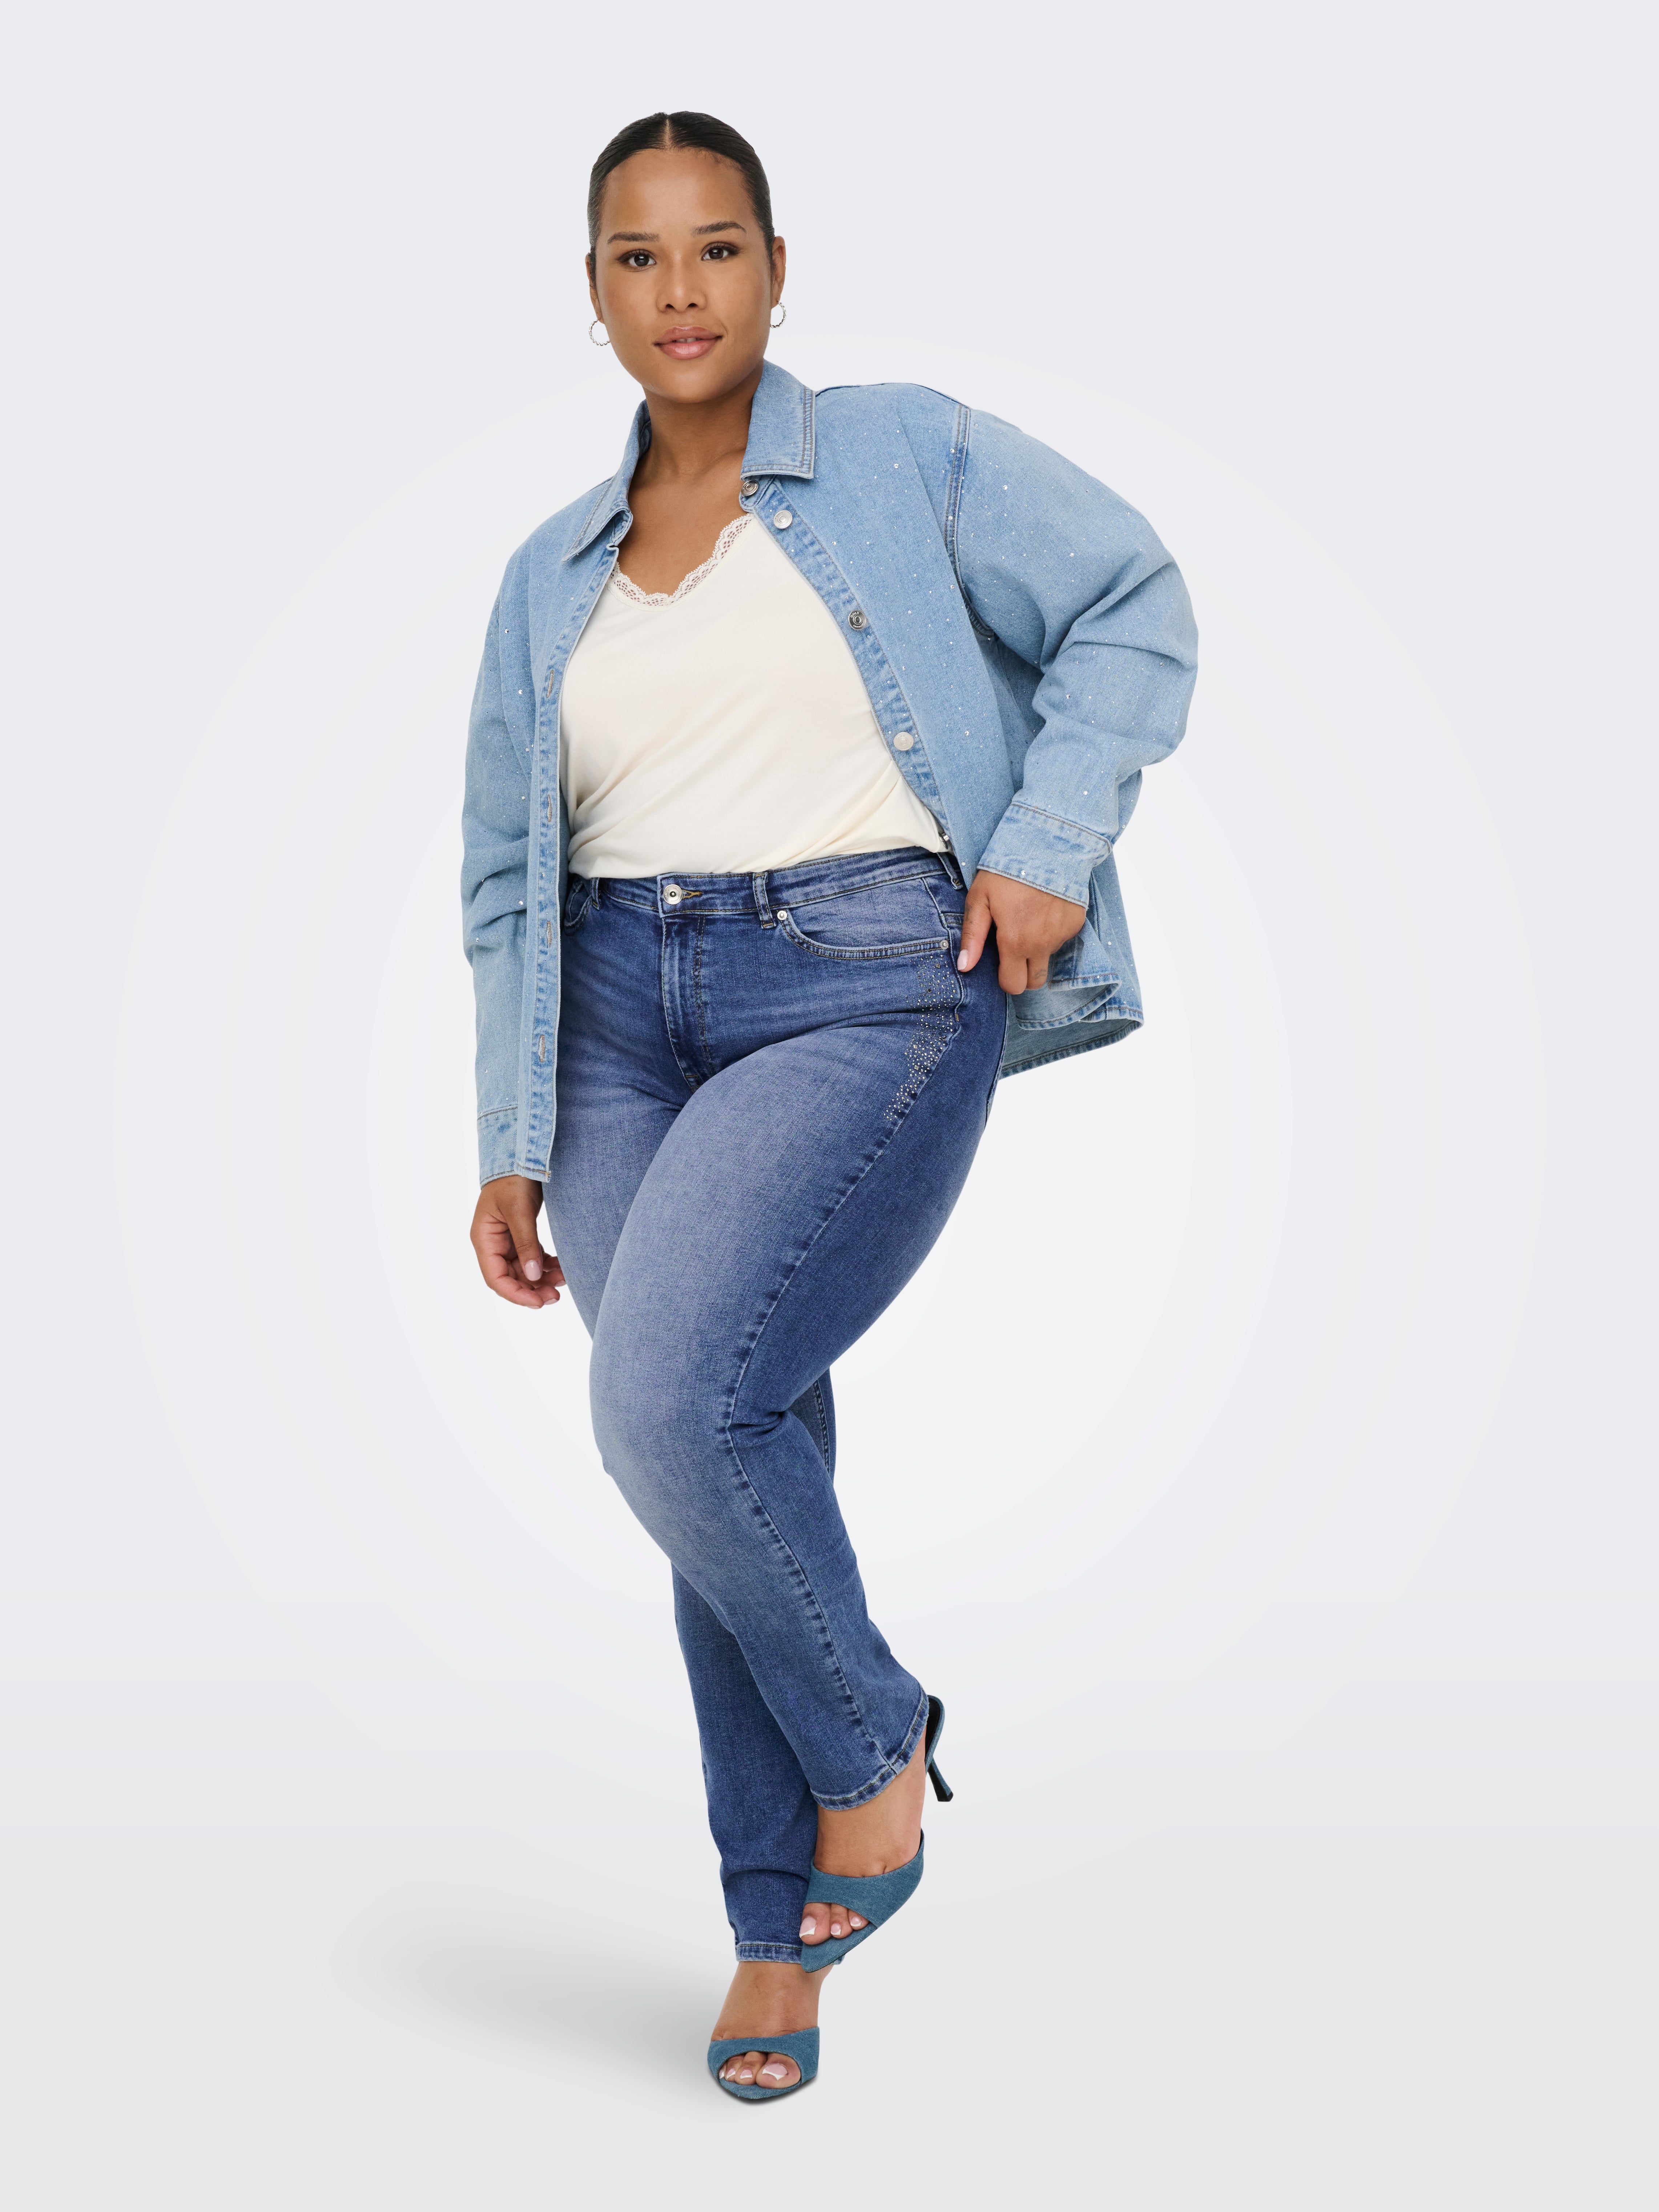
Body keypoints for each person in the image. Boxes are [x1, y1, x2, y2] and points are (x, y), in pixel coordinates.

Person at [461, 110, 1197, 2100]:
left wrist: (1046, 840)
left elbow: (1132, 598)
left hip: (868, 975)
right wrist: (507, 1129)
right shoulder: (546, 576)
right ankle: (772, 1933)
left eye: (716, 248)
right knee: (727, 1446)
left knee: (669, 1406)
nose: (680, 291)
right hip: (612, 1022)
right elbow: (508, 877)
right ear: (594, 292)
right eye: (636, 256)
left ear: (778, 270)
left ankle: (872, 1751)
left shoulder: (900, 453)